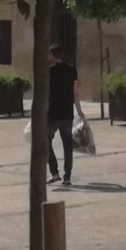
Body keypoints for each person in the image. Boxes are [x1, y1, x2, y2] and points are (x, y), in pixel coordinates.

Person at [44, 51, 77, 188]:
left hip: (53, 113)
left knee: (45, 141)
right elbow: (75, 91)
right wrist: (79, 110)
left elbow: (44, 93)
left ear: (52, 55)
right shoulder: (72, 70)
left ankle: (54, 172)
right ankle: (67, 177)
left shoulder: (49, 72)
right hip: (68, 113)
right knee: (67, 145)